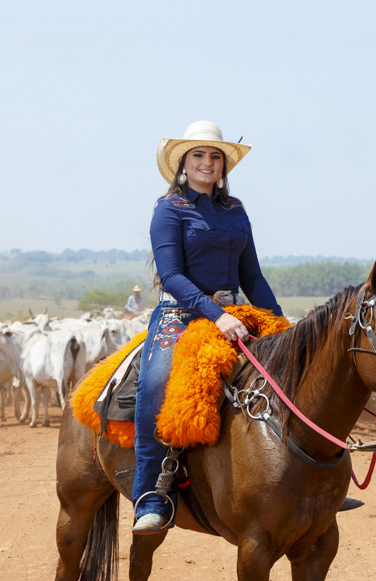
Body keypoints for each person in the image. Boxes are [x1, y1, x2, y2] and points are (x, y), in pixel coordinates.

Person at [131, 121, 284, 533]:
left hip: (233, 314)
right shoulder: (170, 208)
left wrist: (281, 324)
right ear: (183, 162)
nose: (207, 162)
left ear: (223, 166)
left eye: (215, 156)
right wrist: (217, 314)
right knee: (156, 386)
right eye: (198, 154)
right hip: (179, 315)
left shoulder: (235, 210)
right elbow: (171, 276)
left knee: (294, 372)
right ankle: (152, 494)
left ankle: (309, 482)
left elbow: (252, 277)